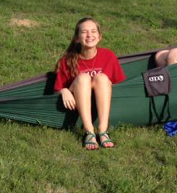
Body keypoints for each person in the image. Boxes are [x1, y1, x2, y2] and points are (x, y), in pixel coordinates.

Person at [54, 17, 126, 150]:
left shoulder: (108, 56)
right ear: (77, 38)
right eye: (84, 32)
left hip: (99, 94)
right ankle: (89, 132)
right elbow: (58, 87)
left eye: (93, 31)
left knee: (102, 78)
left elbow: (118, 84)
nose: (89, 35)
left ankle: (103, 130)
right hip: (78, 95)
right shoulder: (67, 61)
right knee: (83, 78)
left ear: (99, 37)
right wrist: (64, 91)